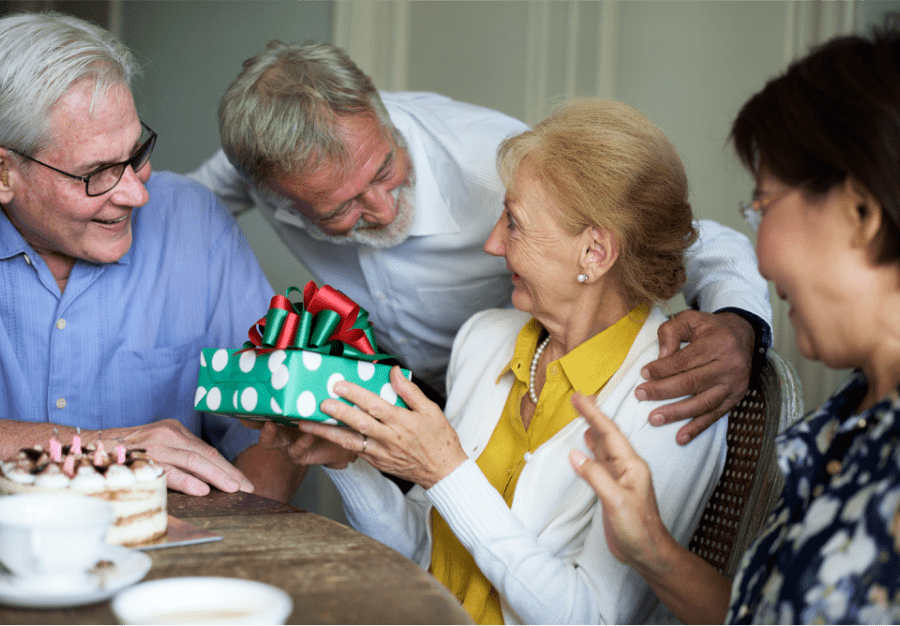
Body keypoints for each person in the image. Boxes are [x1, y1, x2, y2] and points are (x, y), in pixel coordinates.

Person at [261, 99, 729, 625]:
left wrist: (446, 470)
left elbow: (594, 619)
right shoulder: (484, 340)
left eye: (514, 222)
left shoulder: (672, 392)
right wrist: (348, 462)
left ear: (595, 253)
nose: (491, 244)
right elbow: (422, 553)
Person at [190, 40, 773, 445]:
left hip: (507, 395)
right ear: (278, 193)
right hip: (385, 399)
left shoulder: (489, 158)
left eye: (384, 169)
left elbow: (690, 237)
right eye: (340, 207)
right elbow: (176, 208)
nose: (382, 207)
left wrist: (740, 320)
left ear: (375, 101)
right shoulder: (260, 166)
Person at [570, 30, 900, 625]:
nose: (761, 257)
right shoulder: (850, 420)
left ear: (861, 214)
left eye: (763, 205)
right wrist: (652, 549)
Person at [0, 12, 303, 503]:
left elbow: (274, 427)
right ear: (3, 173)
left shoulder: (194, 223)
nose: (136, 196)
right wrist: (100, 449)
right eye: (97, 172)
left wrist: (236, 548)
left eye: (136, 153)